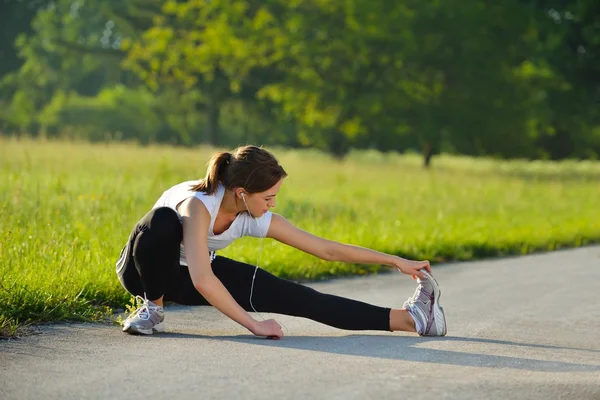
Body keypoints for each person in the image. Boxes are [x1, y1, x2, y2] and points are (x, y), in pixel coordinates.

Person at [115, 145, 447, 338]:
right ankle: (152, 309)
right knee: (161, 222)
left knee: (300, 297)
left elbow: (325, 249)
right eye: (269, 197)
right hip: (143, 271)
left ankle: (412, 319)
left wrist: (394, 260)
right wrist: (254, 325)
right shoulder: (198, 204)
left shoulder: (251, 213)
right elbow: (203, 280)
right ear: (242, 193)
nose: (273, 204)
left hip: (190, 273)